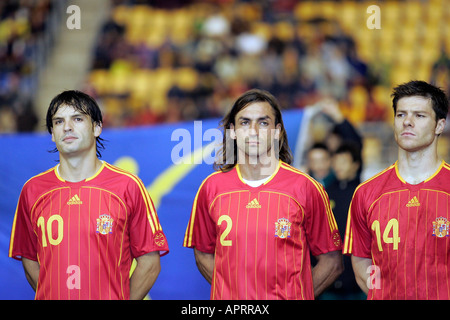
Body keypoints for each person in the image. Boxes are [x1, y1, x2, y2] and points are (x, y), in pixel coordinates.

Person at [183, 88, 343, 300]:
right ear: (232, 131)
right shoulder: (211, 188)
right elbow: (202, 254)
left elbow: (332, 261)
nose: (254, 131)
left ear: (277, 131)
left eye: (263, 122)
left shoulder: (307, 187)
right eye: (245, 122)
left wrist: (295, 295)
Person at [9, 90, 169, 300]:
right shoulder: (32, 190)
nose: (67, 127)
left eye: (77, 119)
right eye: (58, 122)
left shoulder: (128, 186)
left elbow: (150, 262)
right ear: (52, 133)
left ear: (97, 127)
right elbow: (29, 257)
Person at [344, 80, 450, 299]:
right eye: (401, 115)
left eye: (419, 116)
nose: (407, 122)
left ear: (440, 125)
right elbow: (361, 259)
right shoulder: (366, 193)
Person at [323, 142, 365, 299]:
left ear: (355, 165)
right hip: (329, 282)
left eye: (344, 161)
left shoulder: (364, 194)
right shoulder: (325, 193)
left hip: (358, 281)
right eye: (336, 161)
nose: (338, 166)